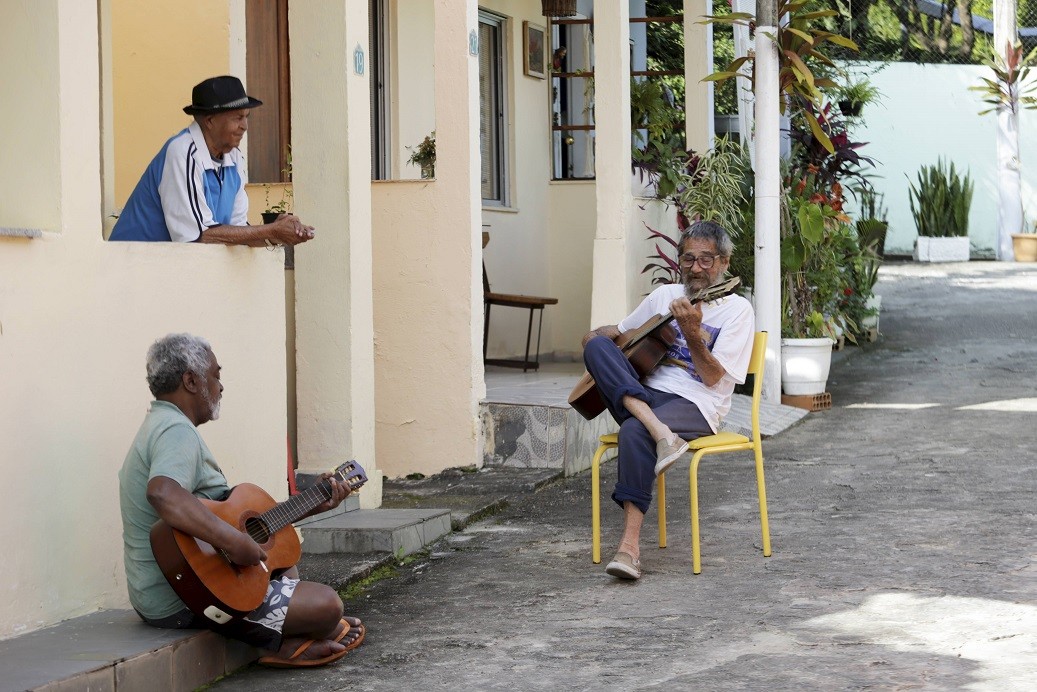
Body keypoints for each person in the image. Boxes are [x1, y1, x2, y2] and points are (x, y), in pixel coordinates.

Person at [118, 333, 363, 667]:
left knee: (282, 554)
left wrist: (313, 503)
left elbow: (240, 523)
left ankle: (292, 633)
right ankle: (279, 643)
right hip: (184, 597)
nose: (220, 386)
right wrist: (233, 541)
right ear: (191, 381)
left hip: (171, 591)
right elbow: (163, 493)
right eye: (215, 375)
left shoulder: (162, 424)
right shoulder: (175, 430)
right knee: (327, 606)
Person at [580, 221, 755, 580]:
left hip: (698, 404)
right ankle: (659, 429)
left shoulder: (738, 311)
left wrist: (692, 335)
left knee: (632, 431)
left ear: (724, 262)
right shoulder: (665, 296)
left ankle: (629, 549)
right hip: (647, 394)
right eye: (688, 258)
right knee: (597, 347)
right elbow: (620, 332)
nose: (695, 268)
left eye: (706, 260)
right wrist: (598, 337)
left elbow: (712, 378)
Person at [108, 76, 314, 246]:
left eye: (246, 117)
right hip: (131, 271)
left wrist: (277, 235)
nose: (245, 126)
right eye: (237, 118)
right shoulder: (183, 151)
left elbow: (238, 230)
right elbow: (198, 236)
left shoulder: (234, 158)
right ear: (210, 121)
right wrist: (271, 230)